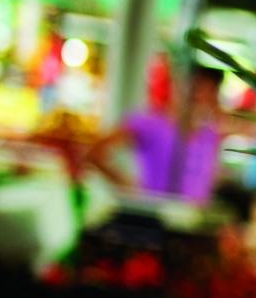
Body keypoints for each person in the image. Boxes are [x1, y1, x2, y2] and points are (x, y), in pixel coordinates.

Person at [87, 65, 227, 203]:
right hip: (154, 217)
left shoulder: (210, 133)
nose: (201, 95)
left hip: (193, 220)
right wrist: (128, 187)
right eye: (197, 87)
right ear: (180, 84)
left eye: (210, 90)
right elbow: (95, 153)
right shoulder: (151, 123)